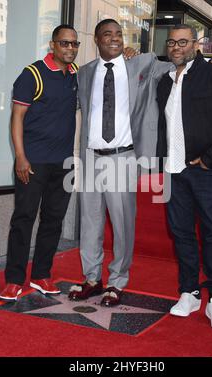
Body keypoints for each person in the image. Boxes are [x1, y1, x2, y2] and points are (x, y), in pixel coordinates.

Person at [68, 19, 173, 306]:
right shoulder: (85, 73)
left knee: (123, 222)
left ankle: (117, 280)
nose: (114, 39)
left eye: (118, 35)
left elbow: (176, 68)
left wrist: (206, 62)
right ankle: (92, 278)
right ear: (97, 40)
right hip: (91, 155)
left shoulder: (142, 64)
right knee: (89, 222)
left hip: (122, 156)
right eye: (107, 35)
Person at [157, 24, 212, 330]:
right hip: (174, 170)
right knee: (181, 233)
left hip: (205, 170)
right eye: (172, 42)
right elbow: (163, 126)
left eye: (183, 42)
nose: (177, 47)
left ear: (197, 44)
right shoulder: (164, 80)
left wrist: (210, 159)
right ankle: (190, 292)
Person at [0, 24, 80, 301]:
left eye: (74, 44)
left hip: (64, 163)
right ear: (52, 45)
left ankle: (41, 275)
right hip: (32, 163)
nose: (70, 48)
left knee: (53, 221)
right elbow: (17, 118)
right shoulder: (32, 74)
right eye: (64, 43)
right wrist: (20, 157)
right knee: (23, 220)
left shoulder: (75, 74)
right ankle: (13, 280)